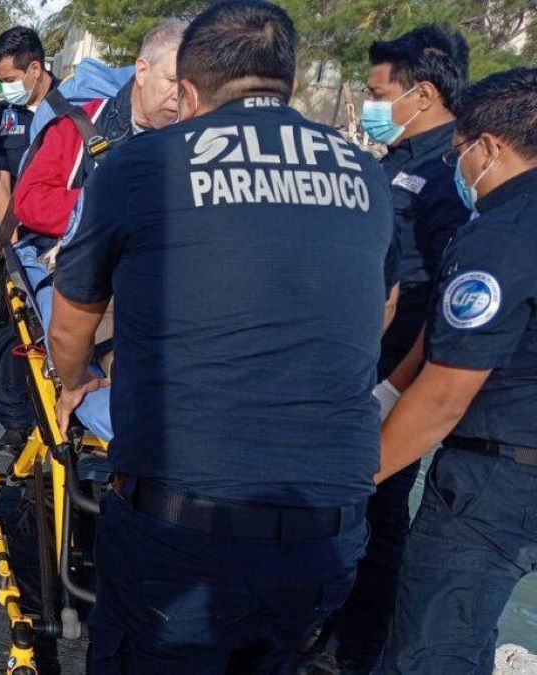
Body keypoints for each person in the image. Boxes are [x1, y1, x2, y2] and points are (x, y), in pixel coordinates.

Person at [48, 1, 395, 671]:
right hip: (325, 534)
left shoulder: (142, 166)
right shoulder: (366, 175)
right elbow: (383, 307)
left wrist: (76, 382)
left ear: (186, 89)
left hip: (184, 538)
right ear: (287, 84)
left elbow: (71, 316)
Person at [318, 24, 471, 674]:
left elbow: (443, 300)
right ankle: (330, 621)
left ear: (425, 92)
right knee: (341, 506)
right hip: (350, 364)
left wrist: (393, 387)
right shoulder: (392, 160)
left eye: (380, 94)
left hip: (395, 375)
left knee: (378, 511)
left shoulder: (450, 176)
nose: (369, 107)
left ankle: (356, 648)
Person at [375, 66, 537, 675]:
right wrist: (390, 390)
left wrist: (359, 473)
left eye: (461, 153)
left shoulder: (498, 237)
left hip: (493, 481)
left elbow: (444, 396)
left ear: (491, 147)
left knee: (427, 653)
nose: (458, 169)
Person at [11, 18, 185, 240]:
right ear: (142, 71)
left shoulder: (200, 137)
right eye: (172, 80)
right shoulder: (76, 125)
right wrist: (110, 205)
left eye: (189, 86)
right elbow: (28, 200)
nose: (178, 95)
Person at [0, 25, 57, 454]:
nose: (5, 88)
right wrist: (10, 229)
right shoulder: (3, 115)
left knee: (57, 331)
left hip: (58, 243)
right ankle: (14, 422)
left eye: (10, 80)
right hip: (17, 238)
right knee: (10, 334)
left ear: (35, 69)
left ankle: (56, 415)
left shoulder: (72, 110)